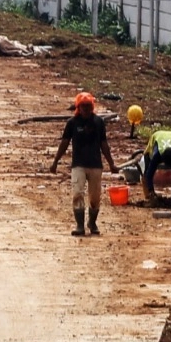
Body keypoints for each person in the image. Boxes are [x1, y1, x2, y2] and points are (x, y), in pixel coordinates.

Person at [49, 92, 114, 236]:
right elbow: (64, 143)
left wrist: (111, 164)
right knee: (78, 193)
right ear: (78, 107)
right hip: (78, 164)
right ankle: (79, 225)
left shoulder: (98, 122)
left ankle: (92, 222)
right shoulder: (72, 123)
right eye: (83, 106)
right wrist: (55, 162)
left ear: (92, 107)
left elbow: (104, 144)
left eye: (88, 106)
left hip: (96, 165)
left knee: (95, 197)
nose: (85, 109)